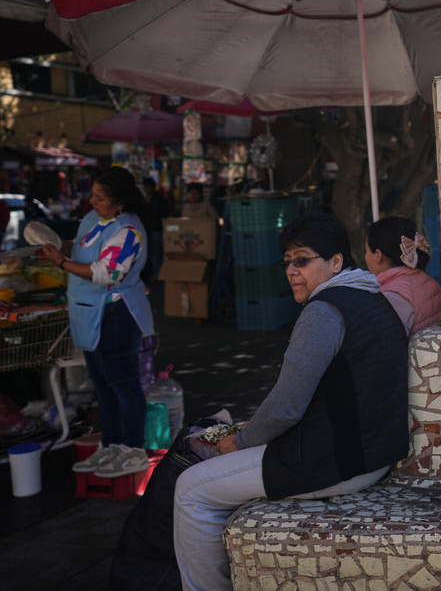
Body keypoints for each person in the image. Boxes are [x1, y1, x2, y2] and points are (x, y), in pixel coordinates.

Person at [173, 212, 409, 591]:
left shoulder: (324, 311)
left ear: (336, 262)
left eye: (302, 260)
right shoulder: (372, 296)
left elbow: (286, 407)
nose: (292, 270)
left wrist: (242, 442)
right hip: (374, 455)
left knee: (189, 490)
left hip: (336, 462)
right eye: (287, 262)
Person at [41, 167, 155, 478]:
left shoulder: (128, 230)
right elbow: (79, 247)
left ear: (119, 203)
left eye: (100, 198)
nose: (93, 202)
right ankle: (110, 445)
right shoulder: (94, 220)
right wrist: (56, 246)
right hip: (88, 312)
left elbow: (107, 273)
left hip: (116, 315)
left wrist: (62, 263)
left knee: (124, 385)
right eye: (93, 195)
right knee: (103, 386)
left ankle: (134, 450)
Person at [364, 216, 441, 336]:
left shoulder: (393, 296)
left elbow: (386, 343)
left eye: (367, 251)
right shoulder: (428, 281)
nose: (366, 257)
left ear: (378, 255)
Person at [141, 177, 169, 281]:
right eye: (145, 187)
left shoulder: (160, 199)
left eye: (149, 186)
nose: (147, 189)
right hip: (145, 230)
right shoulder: (143, 201)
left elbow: (165, 216)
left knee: (155, 250)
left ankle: (159, 271)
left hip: (157, 230)